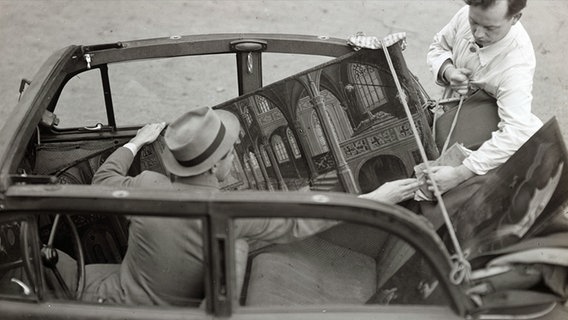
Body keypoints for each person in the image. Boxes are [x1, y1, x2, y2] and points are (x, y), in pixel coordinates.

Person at [75, 106, 420, 306]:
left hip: (117, 293)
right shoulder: (234, 212)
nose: (234, 158)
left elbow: (102, 180)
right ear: (214, 166)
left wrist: (136, 142)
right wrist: (377, 199)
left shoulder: (147, 185)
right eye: (229, 154)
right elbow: (304, 218)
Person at [425, 0, 543, 194]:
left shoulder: (516, 64)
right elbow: (439, 46)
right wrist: (449, 71)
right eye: (474, 22)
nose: (478, 34)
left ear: (515, 18)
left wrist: (460, 174)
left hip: (489, 138)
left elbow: (515, 131)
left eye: (490, 28)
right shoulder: (466, 14)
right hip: (453, 117)